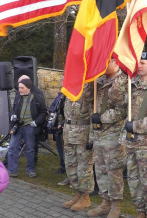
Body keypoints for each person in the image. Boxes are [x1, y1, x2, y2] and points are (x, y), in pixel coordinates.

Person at [112, 51, 147, 218]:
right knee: (134, 181)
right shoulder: (130, 84)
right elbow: (116, 99)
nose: (140, 65)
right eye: (139, 62)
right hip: (130, 143)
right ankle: (140, 212)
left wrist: (135, 125)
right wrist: (122, 76)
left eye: (143, 62)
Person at [86, 59, 127, 218]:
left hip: (113, 133)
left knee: (113, 170)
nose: (101, 64)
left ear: (116, 62)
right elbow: (89, 101)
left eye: (106, 60)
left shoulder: (122, 81)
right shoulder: (100, 80)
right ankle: (105, 203)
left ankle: (116, 206)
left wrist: (101, 118)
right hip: (98, 133)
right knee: (100, 169)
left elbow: (123, 110)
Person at [62, 83, 94, 212]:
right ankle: (77, 194)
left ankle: (85, 197)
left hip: (82, 134)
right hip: (68, 133)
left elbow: (93, 115)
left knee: (84, 168)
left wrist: (91, 138)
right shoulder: (70, 89)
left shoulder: (89, 90)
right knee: (70, 166)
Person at [7, 78, 47, 177]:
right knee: (12, 148)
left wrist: (36, 123)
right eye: (19, 87)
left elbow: (43, 112)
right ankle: (12, 170)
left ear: (28, 88)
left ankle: (30, 170)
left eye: (22, 88)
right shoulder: (18, 97)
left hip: (30, 127)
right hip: (18, 126)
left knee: (30, 149)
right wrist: (13, 115)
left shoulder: (37, 98)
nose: (19, 89)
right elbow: (13, 109)